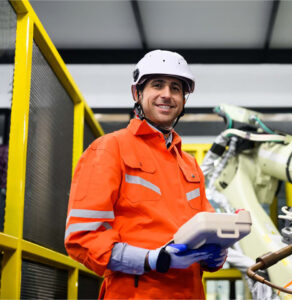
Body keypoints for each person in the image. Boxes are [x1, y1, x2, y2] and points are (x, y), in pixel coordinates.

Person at [65, 50, 227, 299]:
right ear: (137, 93)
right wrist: (153, 259)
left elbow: (208, 232)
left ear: (183, 99)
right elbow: (83, 238)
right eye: (157, 85)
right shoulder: (109, 149)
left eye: (175, 88)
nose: (167, 94)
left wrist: (217, 254)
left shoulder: (190, 165)